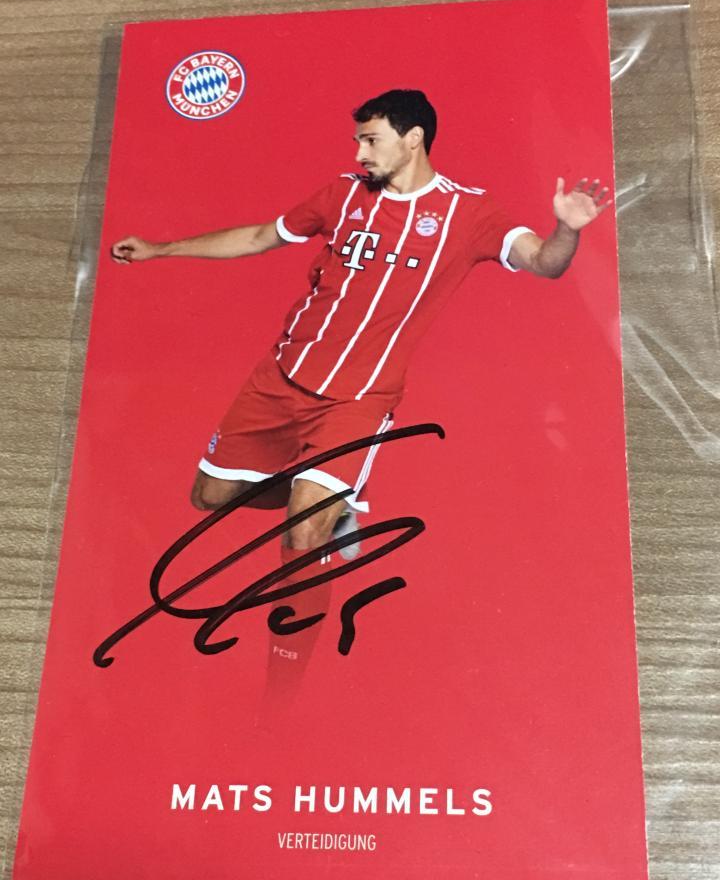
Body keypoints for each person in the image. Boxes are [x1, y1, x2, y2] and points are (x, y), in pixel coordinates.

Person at [111, 88, 610, 692]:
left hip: (359, 400)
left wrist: (566, 229)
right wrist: (163, 249)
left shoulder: (468, 213)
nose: (360, 152)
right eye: (358, 141)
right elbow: (261, 236)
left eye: (371, 140)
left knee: (302, 537)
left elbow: (545, 262)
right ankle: (337, 501)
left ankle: (281, 692)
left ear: (413, 138)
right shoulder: (343, 194)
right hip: (281, 378)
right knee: (209, 497)